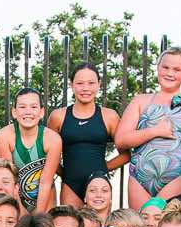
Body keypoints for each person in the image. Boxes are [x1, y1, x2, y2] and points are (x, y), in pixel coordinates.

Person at [117, 47, 181, 208]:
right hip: (139, 180)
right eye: (166, 67)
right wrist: (155, 131)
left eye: (177, 69)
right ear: (158, 68)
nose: (170, 73)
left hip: (176, 179)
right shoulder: (140, 101)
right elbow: (121, 140)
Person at [48, 63, 127, 206]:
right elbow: (46, 154)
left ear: (99, 85)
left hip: (99, 185)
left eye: (91, 83)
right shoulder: (58, 117)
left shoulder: (109, 116)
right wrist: (65, 173)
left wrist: (101, 169)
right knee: (70, 226)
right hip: (70, 185)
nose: (85, 88)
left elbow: (126, 154)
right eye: (80, 83)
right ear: (71, 85)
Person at [0, 88, 62, 213]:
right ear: (14, 112)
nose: (28, 112)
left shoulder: (52, 139)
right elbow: (9, 180)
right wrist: (20, 210)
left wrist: (38, 217)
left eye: (33, 107)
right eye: (22, 107)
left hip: (44, 196)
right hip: (15, 195)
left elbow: (45, 181)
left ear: (41, 112)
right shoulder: (5, 135)